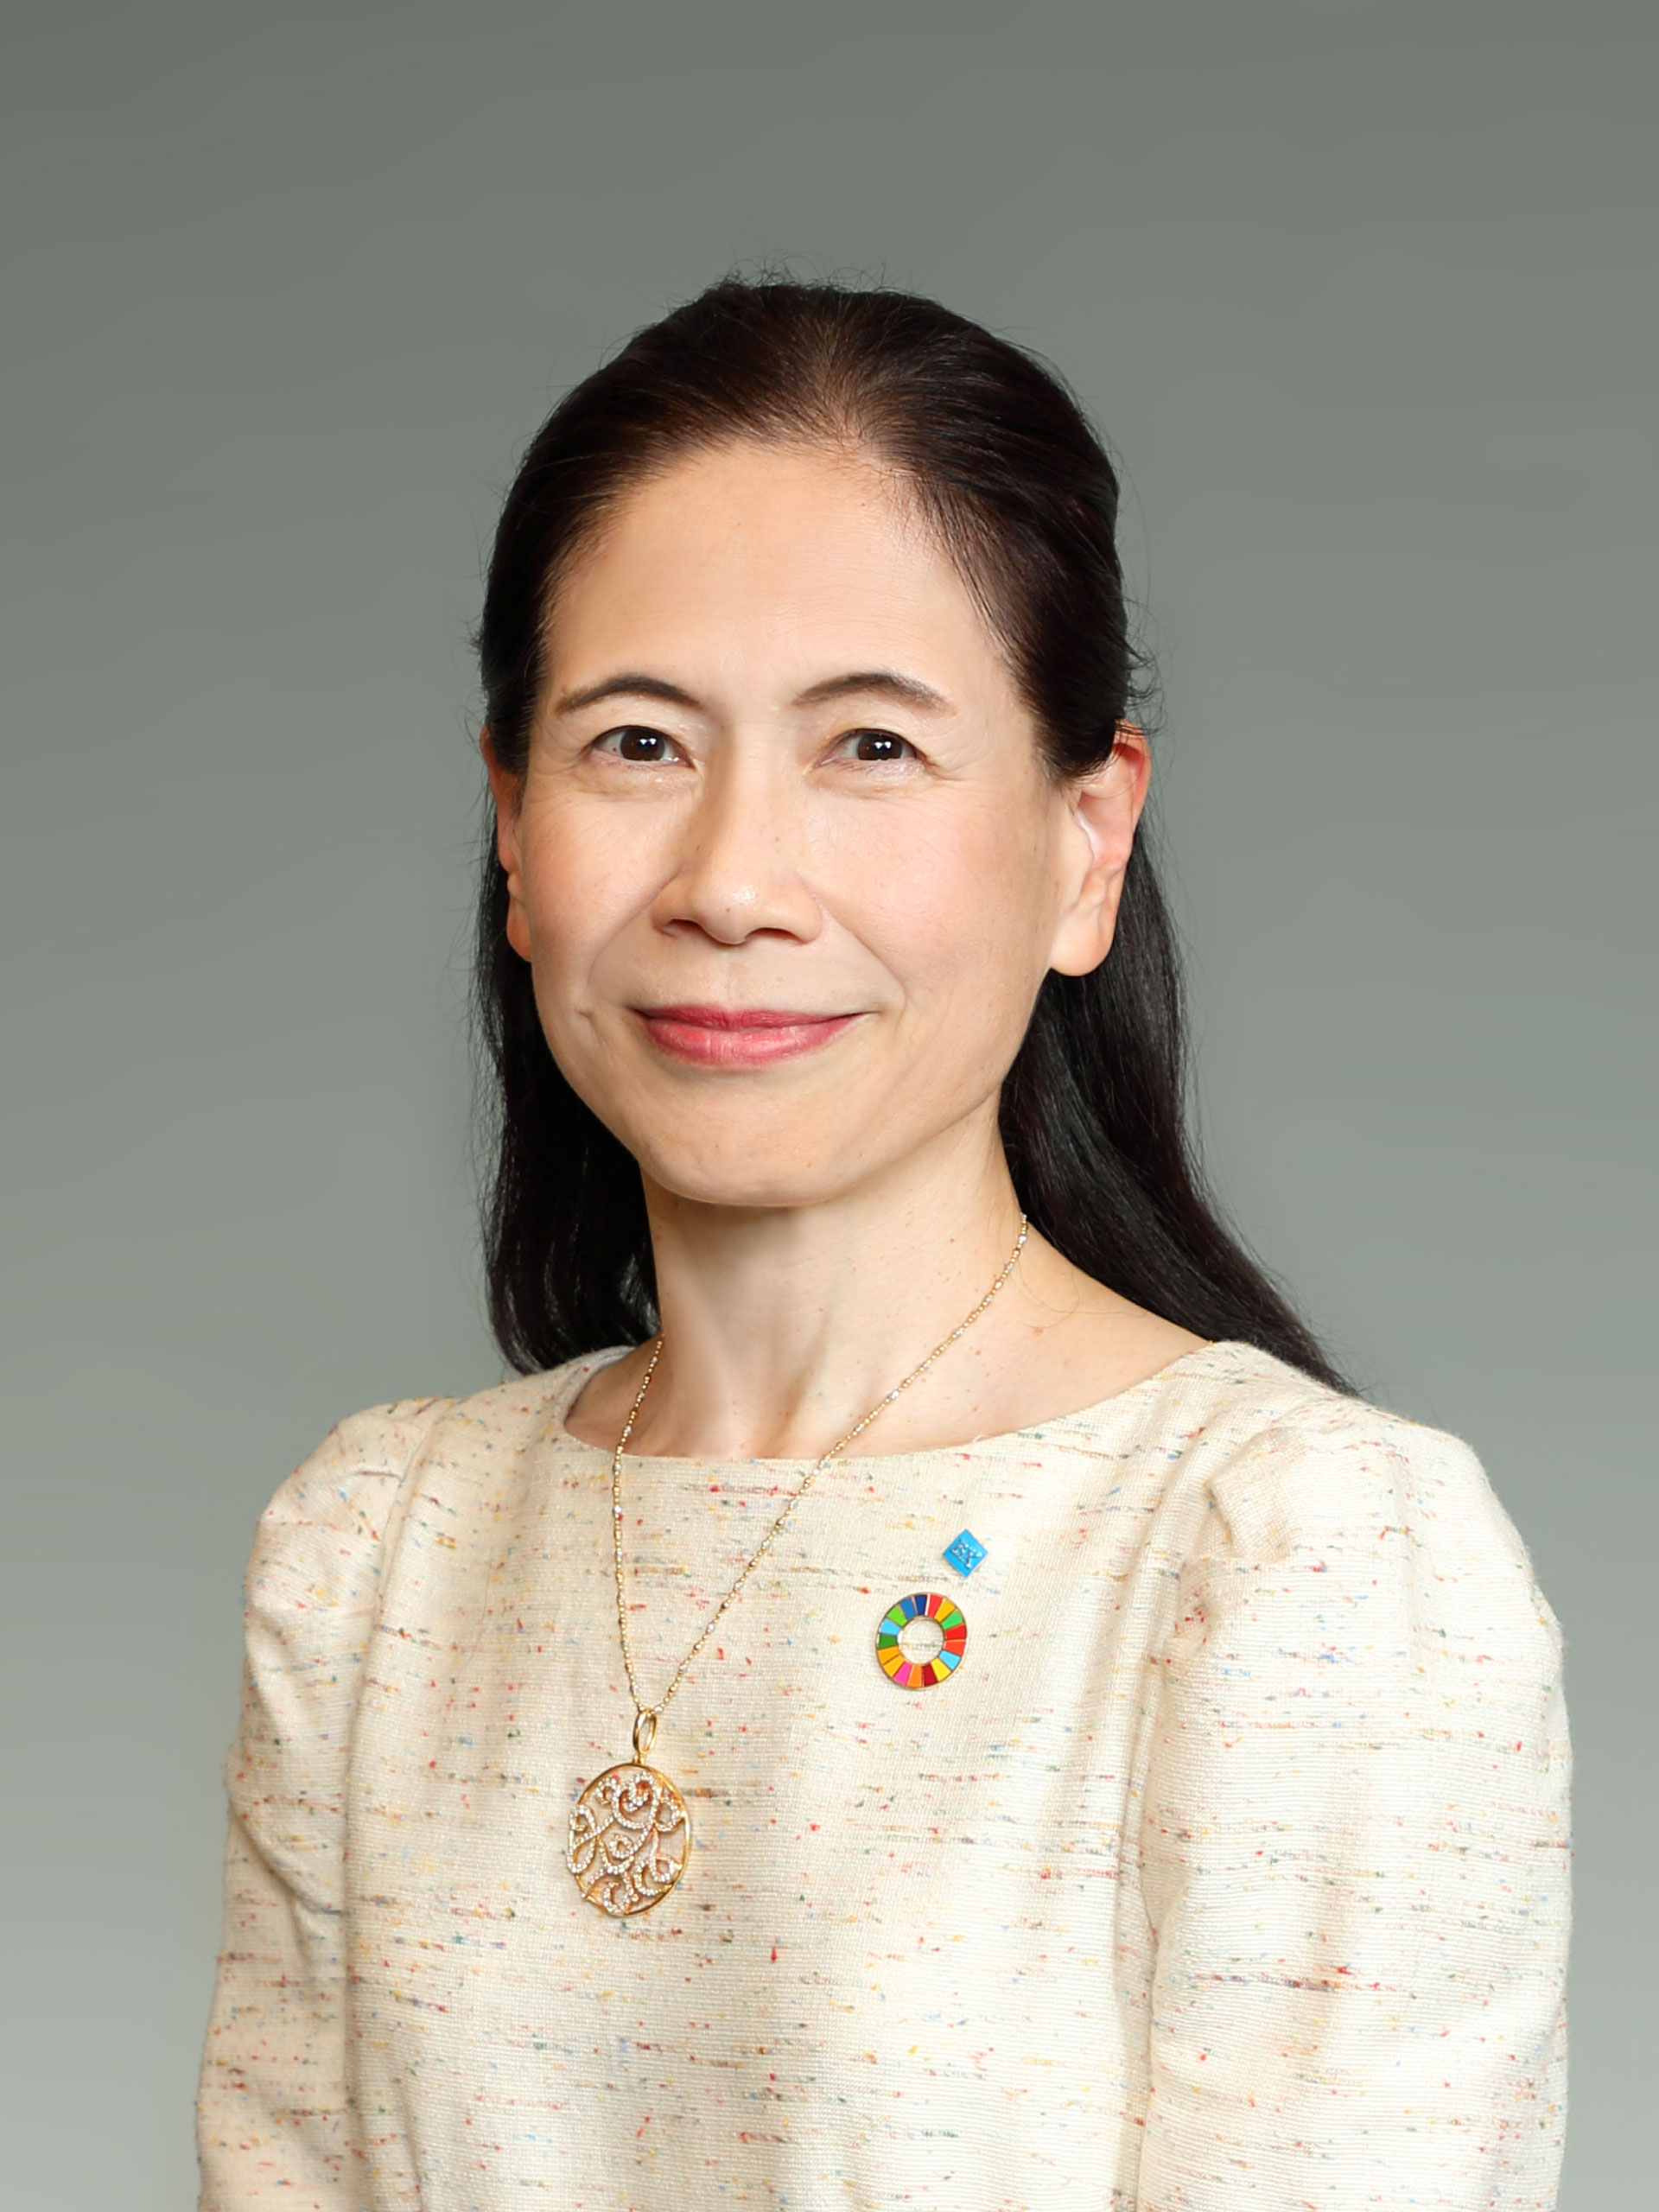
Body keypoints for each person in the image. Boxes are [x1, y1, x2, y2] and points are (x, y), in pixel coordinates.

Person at [196, 280, 1569, 2209]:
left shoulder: (1287, 1561)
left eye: (870, 748)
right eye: (638, 743)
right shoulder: (374, 1555)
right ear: (512, 823)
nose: (732, 883)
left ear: (1088, 840)